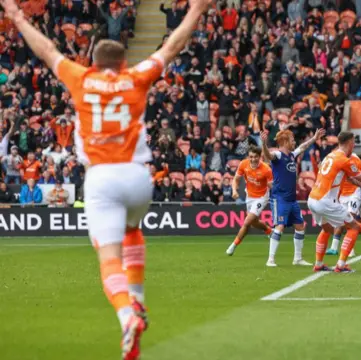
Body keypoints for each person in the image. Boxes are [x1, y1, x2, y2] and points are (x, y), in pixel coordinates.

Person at [0, 0, 212, 357]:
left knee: (108, 254)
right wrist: (197, 9)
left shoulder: (81, 78)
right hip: (137, 177)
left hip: (101, 179)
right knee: (132, 231)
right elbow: (172, 45)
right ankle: (140, 300)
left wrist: (18, 16)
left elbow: (47, 48)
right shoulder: (135, 77)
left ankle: (128, 315)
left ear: (94, 63)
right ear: (123, 63)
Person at [309, 132, 361, 273]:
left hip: (313, 199)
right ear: (350, 142)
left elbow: (352, 180)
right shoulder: (344, 160)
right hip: (325, 200)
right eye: (354, 143)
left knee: (327, 229)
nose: (354, 145)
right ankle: (341, 265)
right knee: (353, 227)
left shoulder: (330, 155)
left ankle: (319, 264)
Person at [259, 128, 324, 267]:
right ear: (285, 141)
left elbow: (303, 146)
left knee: (300, 226)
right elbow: (267, 156)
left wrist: (314, 138)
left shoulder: (292, 156)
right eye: (292, 140)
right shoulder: (277, 155)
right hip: (279, 198)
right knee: (280, 226)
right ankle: (270, 259)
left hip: (292, 199)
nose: (294, 142)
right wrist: (264, 144)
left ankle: (298, 259)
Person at [326, 153, 361, 257]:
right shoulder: (336, 159)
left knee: (348, 219)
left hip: (354, 193)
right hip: (342, 195)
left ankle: (347, 248)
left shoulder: (356, 161)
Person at [225, 146, 273, 255]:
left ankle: (233, 246)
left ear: (260, 157)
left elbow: (272, 185)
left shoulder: (266, 169)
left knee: (247, 222)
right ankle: (270, 231)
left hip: (262, 197)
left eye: (256, 157)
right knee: (254, 223)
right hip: (250, 196)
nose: (253, 159)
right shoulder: (243, 164)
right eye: (251, 157)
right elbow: (236, 179)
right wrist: (234, 190)